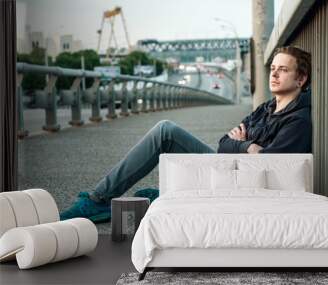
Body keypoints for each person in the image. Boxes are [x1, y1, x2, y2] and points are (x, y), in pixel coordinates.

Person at [60, 46, 312, 222]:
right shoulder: (265, 108)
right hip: (227, 166)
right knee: (165, 130)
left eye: (283, 70)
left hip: (235, 184)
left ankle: (103, 200)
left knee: (165, 131)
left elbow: (268, 168)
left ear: (300, 79)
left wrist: (242, 144)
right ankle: (106, 197)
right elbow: (224, 143)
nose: (274, 74)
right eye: (273, 69)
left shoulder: (297, 121)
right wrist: (247, 147)